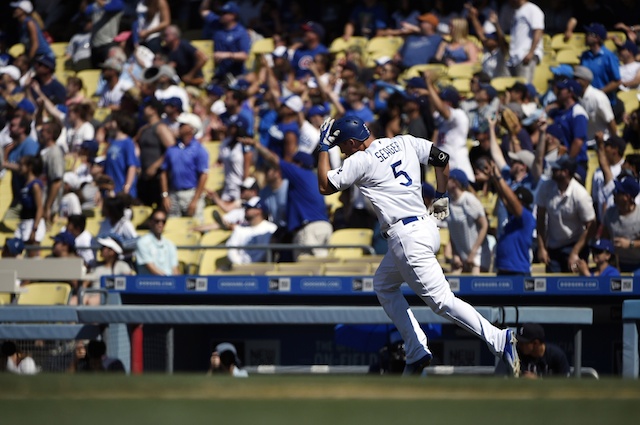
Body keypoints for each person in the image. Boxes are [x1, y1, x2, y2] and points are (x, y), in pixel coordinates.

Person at [316, 115, 519, 377]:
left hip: (406, 237)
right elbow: (443, 159)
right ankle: (416, 349)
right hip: (425, 226)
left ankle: (499, 338)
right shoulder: (404, 142)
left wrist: (322, 148)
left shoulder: (360, 159)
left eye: (343, 146)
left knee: (442, 302)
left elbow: (324, 185)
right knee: (383, 285)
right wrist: (441, 199)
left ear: (354, 142)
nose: (342, 151)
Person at [536, 155, 596, 273]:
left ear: (565, 172)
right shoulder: (546, 187)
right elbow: (540, 218)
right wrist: (541, 247)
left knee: (575, 287)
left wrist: (575, 252)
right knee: (552, 288)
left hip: (575, 243)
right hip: (553, 246)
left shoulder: (580, 194)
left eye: (556, 169)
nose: (552, 171)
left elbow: (591, 225)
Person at [159, 112, 209, 220]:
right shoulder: (172, 149)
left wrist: (195, 200)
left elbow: (203, 175)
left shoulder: (199, 150)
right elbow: (164, 172)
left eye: (183, 125)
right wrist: (165, 195)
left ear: (191, 129)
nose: (179, 127)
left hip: (191, 193)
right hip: (173, 194)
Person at [445, 169, 491, 274]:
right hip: (461, 257)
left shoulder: (469, 200)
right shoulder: (448, 203)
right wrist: (455, 254)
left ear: (455, 182)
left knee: (475, 287)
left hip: (478, 255)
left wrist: (473, 253)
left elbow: (484, 225)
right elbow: (452, 232)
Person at [201, 1, 251, 82]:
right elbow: (203, 11)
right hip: (219, 72)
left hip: (235, 74)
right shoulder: (217, 23)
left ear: (233, 15)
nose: (221, 15)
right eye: (220, 13)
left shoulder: (241, 32)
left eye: (224, 13)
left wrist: (227, 55)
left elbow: (244, 55)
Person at [601, 176, 640, 273]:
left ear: (627, 197)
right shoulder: (610, 214)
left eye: (618, 192)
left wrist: (630, 244)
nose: (614, 194)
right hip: (617, 264)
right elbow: (605, 238)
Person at [226, 197, 277, 265]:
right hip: (240, 270)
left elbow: (267, 253)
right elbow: (231, 250)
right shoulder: (239, 229)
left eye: (249, 208)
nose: (245, 210)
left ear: (258, 211)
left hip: (263, 269)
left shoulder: (272, 229)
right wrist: (241, 265)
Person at [84, 235, 132, 305]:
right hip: (90, 293)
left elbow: (128, 283)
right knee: (74, 300)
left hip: (108, 296)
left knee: (92, 301)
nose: (101, 249)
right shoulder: (95, 266)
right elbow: (85, 283)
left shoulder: (122, 266)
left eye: (104, 247)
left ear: (112, 252)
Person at [505, 0, 545, 83]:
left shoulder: (532, 9)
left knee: (524, 88)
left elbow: (538, 31)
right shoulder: (517, 11)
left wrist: (530, 53)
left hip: (525, 56)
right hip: (515, 58)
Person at [135, 208, 179, 276]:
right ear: (150, 222)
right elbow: (152, 269)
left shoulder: (170, 244)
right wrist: (169, 280)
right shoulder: (142, 243)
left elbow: (175, 269)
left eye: (163, 221)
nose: (160, 224)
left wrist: (178, 283)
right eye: (157, 221)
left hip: (169, 283)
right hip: (150, 284)